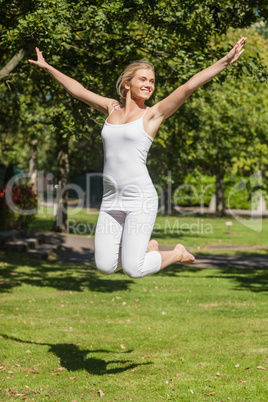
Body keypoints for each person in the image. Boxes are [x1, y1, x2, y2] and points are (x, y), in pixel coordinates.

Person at [29, 37, 247, 278]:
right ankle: (147, 249)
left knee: (134, 268)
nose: (149, 85)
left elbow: (188, 86)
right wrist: (49, 67)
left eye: (152, 81)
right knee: (104, 266)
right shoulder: (111, 108)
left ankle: (176, 253)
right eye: (143, 79)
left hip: (139, 199)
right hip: (111, 199)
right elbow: (79, 90)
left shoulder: (152, 115)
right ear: (126, 83)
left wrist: (225, 61)